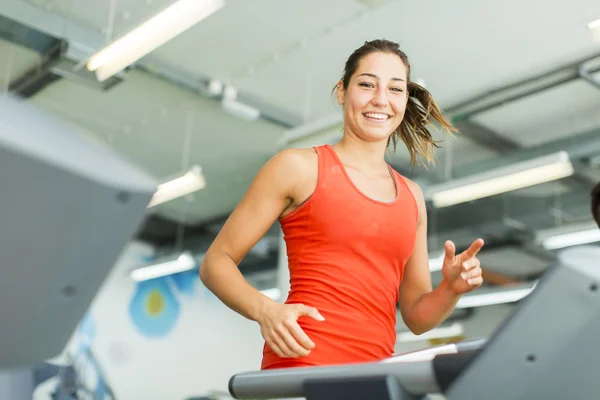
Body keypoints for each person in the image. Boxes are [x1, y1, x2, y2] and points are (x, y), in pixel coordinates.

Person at [199, 39, 485, 370]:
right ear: (342, 91)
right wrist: (266, 310)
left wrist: (451, 289)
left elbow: (417, 316)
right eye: (366, 85)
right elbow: (215, 262)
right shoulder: (298, 167)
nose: (380, 99)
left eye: (395, 89)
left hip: (373, 374)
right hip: (302, 359)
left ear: (405, 100)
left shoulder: (412, 196)